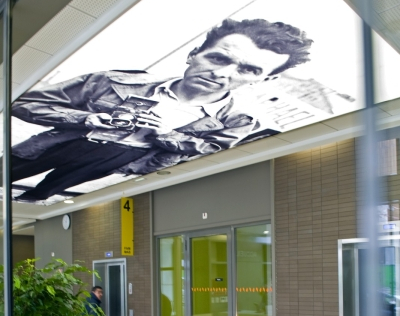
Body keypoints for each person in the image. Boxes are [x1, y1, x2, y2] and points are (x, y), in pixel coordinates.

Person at [10, 18, 312, 202]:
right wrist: (86, 118)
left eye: (247, 69)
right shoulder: (113, 80)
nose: (223, 74)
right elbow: (22, 102)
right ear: (194, 54)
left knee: (41, 196)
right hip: (61, 142)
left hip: (119, 161)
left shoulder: (240, 121)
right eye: (219, 59)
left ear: (266, 78)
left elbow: (210, 151)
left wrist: (163, 135)